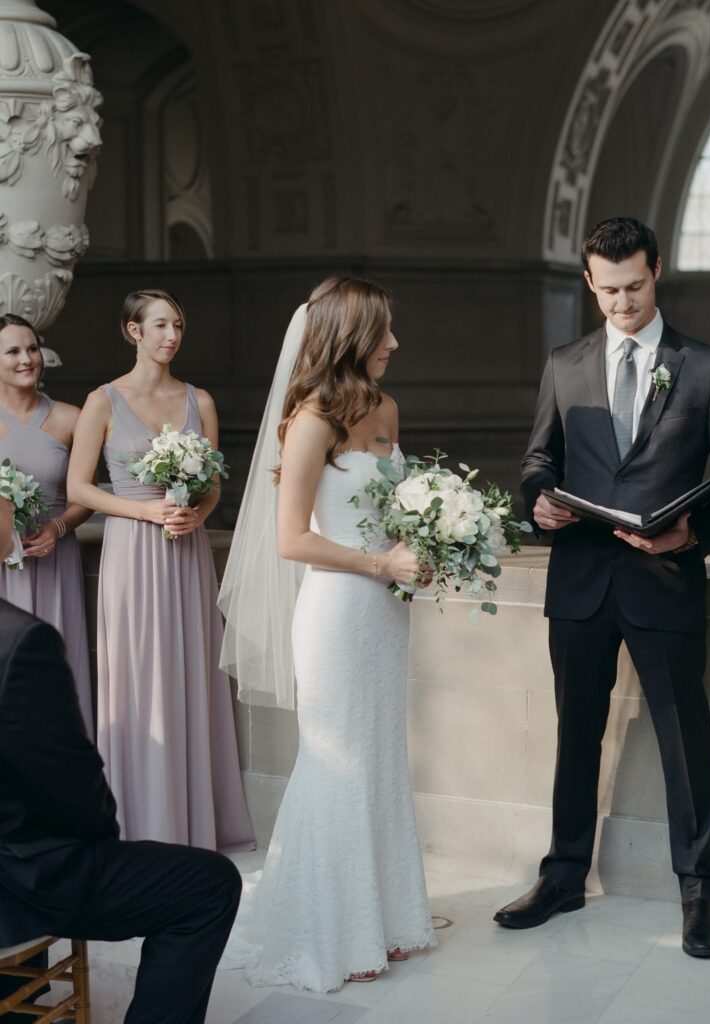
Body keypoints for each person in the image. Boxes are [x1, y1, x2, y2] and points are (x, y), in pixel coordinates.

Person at [495, 217, 710, 958]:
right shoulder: (565, 363)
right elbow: (539, 460)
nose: (622, 303)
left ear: (656, 270)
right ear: (590, 285)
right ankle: (563, 875)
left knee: (685, 744)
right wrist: (536, 500)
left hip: (664, 581)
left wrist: (690, 534)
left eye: (634, 286)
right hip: (581, 582)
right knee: (575, 738)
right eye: (607, 292)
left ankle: (700, 897)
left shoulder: (706, 366)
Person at [219, 276, 436, 992]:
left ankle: (388, 920)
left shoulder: (388, 409)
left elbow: (396, 513)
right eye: (383, 332)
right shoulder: (309, 419)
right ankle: (330, 932)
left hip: (385, 613)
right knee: (336, 759)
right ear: (348, 337)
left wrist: (424, 552)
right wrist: (379, 561)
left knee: (379, 756)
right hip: (338, 612)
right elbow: (291, 539)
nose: (395, 344)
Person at [0, 493, 243, 1024]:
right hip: (20, 882)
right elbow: (68, 788)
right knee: (209, 884)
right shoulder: (19, 642)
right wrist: (99, 836)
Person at [67, 288, 255, 851]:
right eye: (159, 326)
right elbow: (78, 488)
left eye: (178, 325)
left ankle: (196, 820)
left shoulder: (201, 401)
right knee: (139, 677)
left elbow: (215, 483)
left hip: (184, 555)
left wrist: (196, 514)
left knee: (192, 672)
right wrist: (145, 509)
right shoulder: (103, 401)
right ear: (133, 332)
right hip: (132, 552)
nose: (171, 336)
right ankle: (141, 823)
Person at [0, 313, 93, 735]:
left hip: (55, 564)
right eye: (13, 351)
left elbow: (86, 496)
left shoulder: (72, 418)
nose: (27, 359)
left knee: (56, 673)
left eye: (32, 349)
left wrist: (58, 528)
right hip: (1, 567)